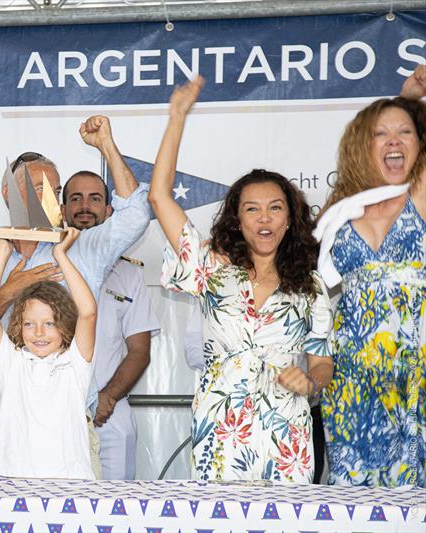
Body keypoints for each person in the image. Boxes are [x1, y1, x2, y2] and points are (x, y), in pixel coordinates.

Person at [150, 77, 334, 482]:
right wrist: (177, 116)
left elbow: (322, 362)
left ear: (289, 219)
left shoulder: (311, 284)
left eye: (274, 208)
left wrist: (310, 381)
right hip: (220, 425)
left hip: (288, 433)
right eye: (252, 209)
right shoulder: (211, 270)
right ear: (238, 219)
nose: (264, 217)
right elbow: (160, 198)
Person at [0, 116, 152, 477]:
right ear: (8, 195)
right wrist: (9, 290)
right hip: (4, 429)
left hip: (72, 427)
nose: (47, 197)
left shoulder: (82, 248)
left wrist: (106, 145)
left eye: (54, 189)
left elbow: (138, 214)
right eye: (35, 187)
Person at [317, 75, 426, 487]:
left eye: (405, 132)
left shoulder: (420, 198)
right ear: (363, 146)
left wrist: (410, 97)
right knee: (353, 501)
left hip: (415, 372)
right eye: (380, 134)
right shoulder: (340, 211)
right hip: (351, 379)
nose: (393, 141)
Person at [61, 170, 161, 480]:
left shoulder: (129, 275)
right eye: (75, 199)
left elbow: (139, 350)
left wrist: (108, 397)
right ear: (62, 210)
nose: (84, 207)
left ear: (109, 210)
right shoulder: (46, 265)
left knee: (116, 516)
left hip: (109, 415)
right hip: (55, 413)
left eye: (95, 199)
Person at [0, 226, 97, 479]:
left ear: (64, 325)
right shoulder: (11, 363)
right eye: (30, 324)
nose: (39, 333)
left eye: (50, 323)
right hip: (13, 484)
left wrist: (61, 254)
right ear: (19, 326)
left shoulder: (75, 363)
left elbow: (88, 311)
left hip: (70, 486)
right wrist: (3, 252)